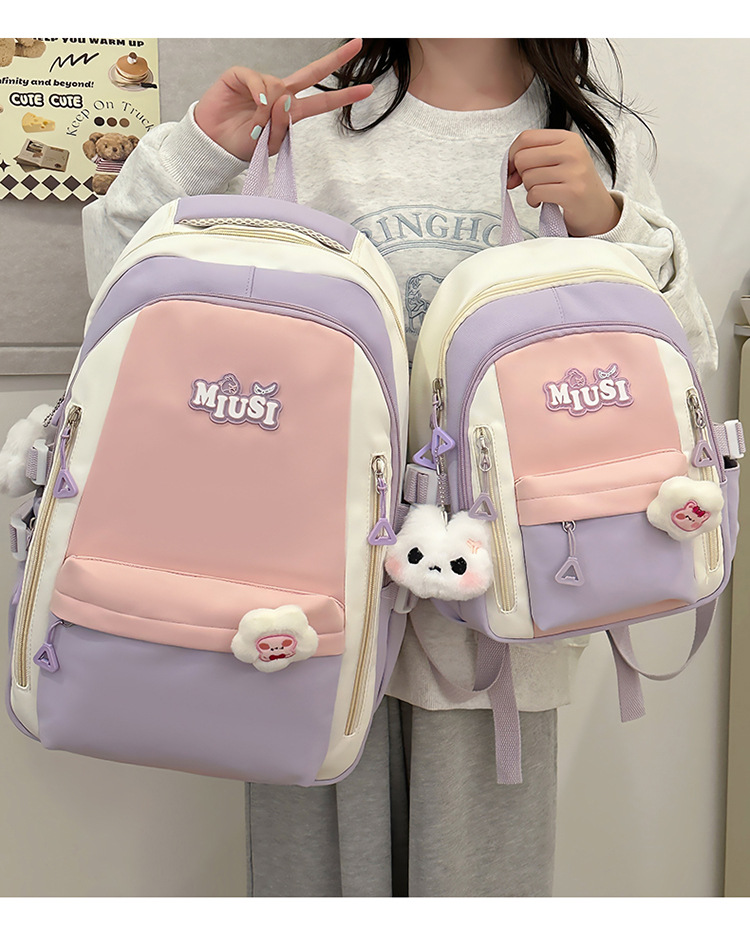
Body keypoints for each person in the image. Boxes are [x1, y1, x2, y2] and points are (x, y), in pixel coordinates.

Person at [81, 38, 718, 897]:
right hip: (304, 609)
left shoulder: (591, 135)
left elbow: (682, 365)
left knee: (480, 896)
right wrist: (201, 147)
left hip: (503, 615)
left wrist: (609, 224)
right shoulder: (314, 127)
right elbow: (121, 291)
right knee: (313, 892)